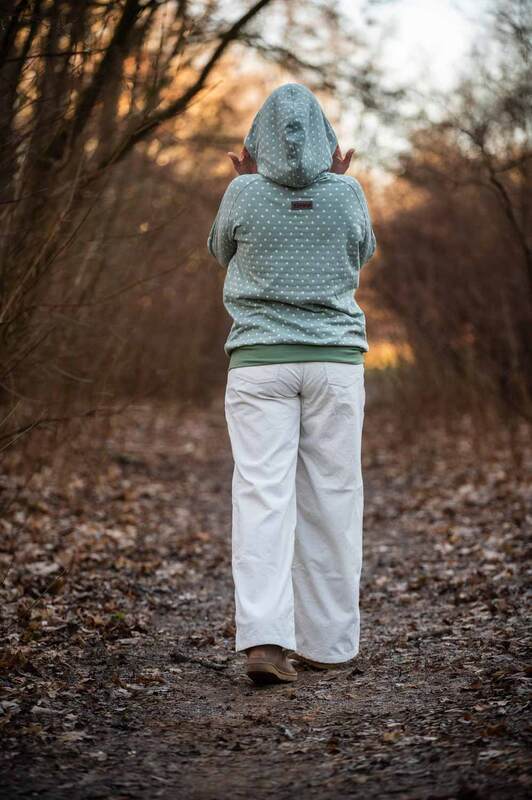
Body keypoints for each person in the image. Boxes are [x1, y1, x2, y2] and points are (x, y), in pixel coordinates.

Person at [207, 82, 377, 685]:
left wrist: (250, 181)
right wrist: (333, 183)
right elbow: (361, 254)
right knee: (333, 496)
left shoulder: (242, 192)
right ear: (328, 138)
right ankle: (328, 644)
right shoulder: (348, 192)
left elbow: (219, 250)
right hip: (334, 365)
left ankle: (265, 640)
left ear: (257, 139)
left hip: (259, 364)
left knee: (262, 496)